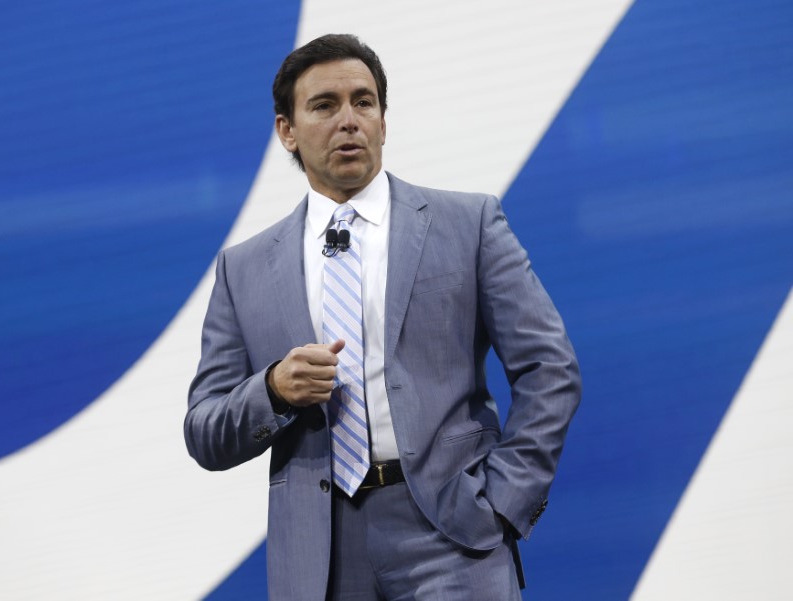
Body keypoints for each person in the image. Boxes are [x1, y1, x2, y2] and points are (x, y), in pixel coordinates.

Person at [185, 33, 581, 601]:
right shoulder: (243, 269)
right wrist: (272, 389)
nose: (349, 120)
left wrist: (503, 502)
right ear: (286, 131)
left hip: (451, 534)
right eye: (324, 105)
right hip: (316, 555)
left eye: (363, 102)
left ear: (383, 121)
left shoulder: (468, 224)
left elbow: (551, 369)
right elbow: (204, 430)